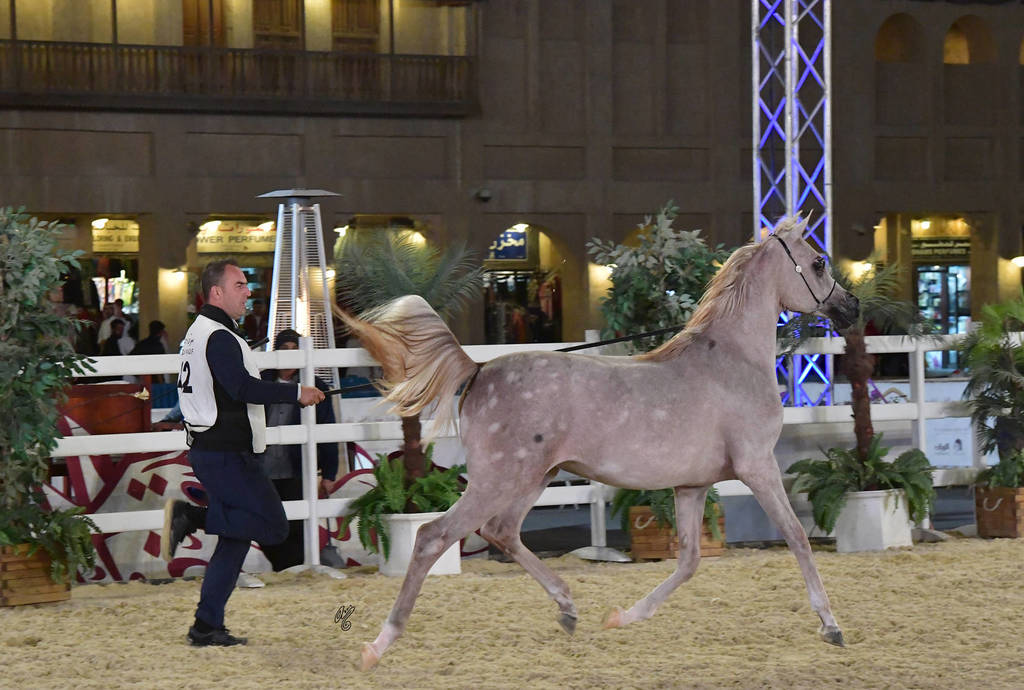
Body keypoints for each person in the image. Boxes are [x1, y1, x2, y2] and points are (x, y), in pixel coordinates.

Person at [161, 259, 325, 647]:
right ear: (216, 292)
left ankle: (206, 625)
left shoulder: (199, 334)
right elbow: (243, 389)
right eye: (239, 285)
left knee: (235, 539)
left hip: (213, 450)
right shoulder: (217, 336)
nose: (247, 291)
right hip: (227, 454)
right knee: (274, 527)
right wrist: (294, 392)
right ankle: (194, 516)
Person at [259, 329, 343, 571]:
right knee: (261, 520)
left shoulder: (316, 385)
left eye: (293, 348)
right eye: (283, 349)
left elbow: (327, 431)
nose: (289, 354)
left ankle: (291, 569)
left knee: (296, 525)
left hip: (297, 467)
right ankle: (286, 567)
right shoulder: (260, 380)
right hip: (261, 467)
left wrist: (329, 473)